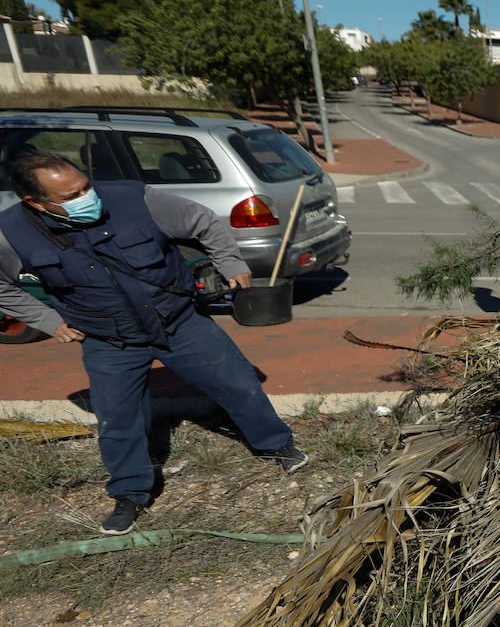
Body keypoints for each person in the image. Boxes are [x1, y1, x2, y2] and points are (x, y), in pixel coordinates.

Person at [0, 153, 308, 536]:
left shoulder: (134, 198)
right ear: (36, 202)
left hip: (178, 320)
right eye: (71, 195)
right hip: (107, 338)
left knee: (239, 383)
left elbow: (203, 221)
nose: (86, 196)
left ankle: (274, 444)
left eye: (86, 186)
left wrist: (232, 264)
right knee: (118, 418)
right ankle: (129, 493)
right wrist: (47, 322)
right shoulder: (11, 232)